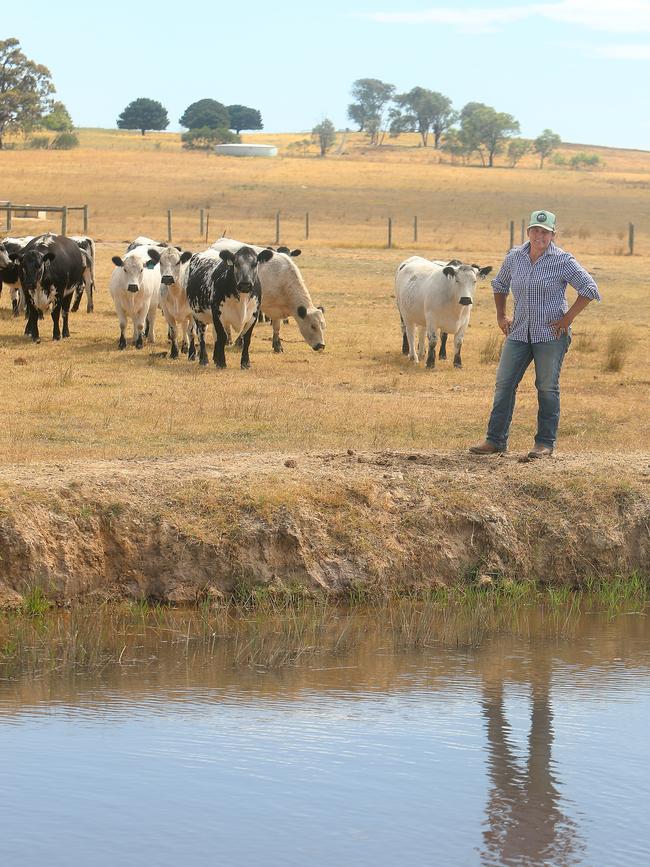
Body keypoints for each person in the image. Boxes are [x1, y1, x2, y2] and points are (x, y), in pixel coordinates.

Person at [469, 209, 600, 458]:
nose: (539, 236)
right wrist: (501, 315)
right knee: (504, 385)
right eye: (535, 231)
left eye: (545, 232)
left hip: (550, 335)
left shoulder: (563, 261)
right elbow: (499, 285)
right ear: (528, 231)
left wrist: (567, 318)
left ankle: (544, 443)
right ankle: (495, 441)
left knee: (547, 387)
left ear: (553, 234)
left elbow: (589, 288)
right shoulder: (515, 256)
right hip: (518, 332)